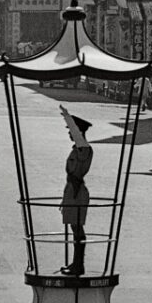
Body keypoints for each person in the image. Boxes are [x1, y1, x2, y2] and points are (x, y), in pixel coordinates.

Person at [59, 107, 93, 276]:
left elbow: (78, 137)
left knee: (77, 229)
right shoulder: (78, 148)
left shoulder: (84, 149)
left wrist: (67, 118)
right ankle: (75, 263)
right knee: (74, 228)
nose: (70, 134)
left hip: (77, 191)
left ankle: (79, 265)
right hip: (72, 189)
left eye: (72, 131)